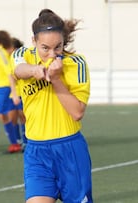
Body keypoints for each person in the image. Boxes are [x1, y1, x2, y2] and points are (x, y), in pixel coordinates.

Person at [13, 9, 93, 203]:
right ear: (34, 41)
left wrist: (56, 80)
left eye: (58, 47)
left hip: (69, 149)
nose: (52, 54)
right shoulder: (23, 54)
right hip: (36, 151)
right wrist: (34, 70)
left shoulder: (76, 63)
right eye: (45, 48)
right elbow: (18, 69)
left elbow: (77, 112)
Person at [7, 37, 27, 149]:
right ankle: (17, 140)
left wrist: (15, 93)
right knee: (12, 118)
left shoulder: (19, 57)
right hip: (13, 93)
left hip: (21, 92)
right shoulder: (10, 58)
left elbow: (12, 76)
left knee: (23, 116)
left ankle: (25, 141)